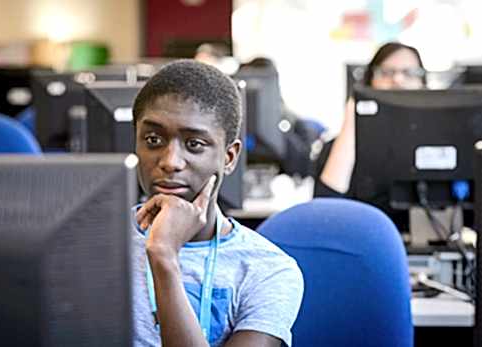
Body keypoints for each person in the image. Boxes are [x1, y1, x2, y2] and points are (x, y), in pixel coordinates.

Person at [131, 59, 304, 347]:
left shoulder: (268, 270)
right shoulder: (91, 243)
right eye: (153, 139)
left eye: (194, 144)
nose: (170, 161)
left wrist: (164, 257)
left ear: (229, 157)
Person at [313, 42, 426, 229]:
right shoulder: (338, 148)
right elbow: (324, 213)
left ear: (423, 84)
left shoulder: (438, 145)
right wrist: (353, 116)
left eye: (409, 73)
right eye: (386, 72)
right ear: (369, 81)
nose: (398, 80)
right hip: (360, 246)